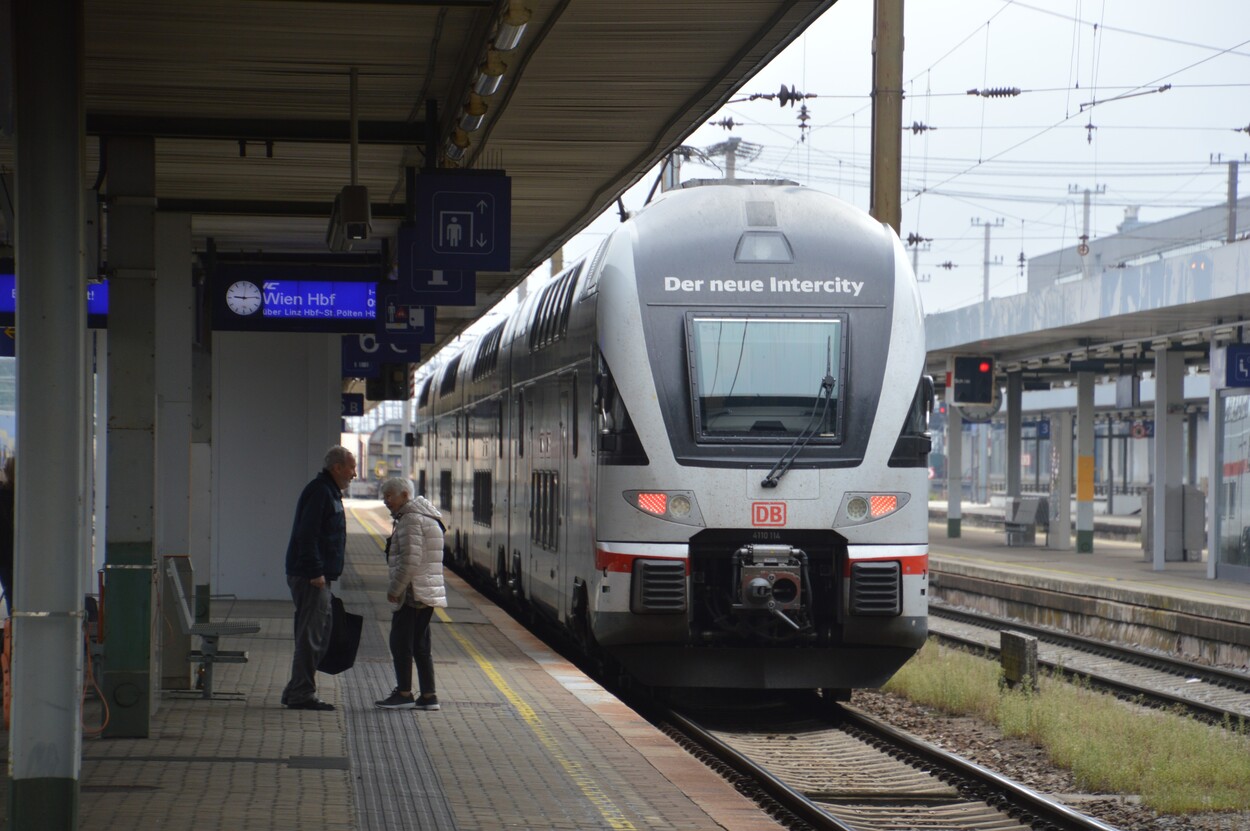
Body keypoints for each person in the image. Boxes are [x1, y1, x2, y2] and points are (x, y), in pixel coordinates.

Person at [281, 445, 356, 711]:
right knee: (312, 637)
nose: (354, 473)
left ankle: (294, 690)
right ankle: (302, 694)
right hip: (311, 577)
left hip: (316, 575)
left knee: (314, 635)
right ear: (337, 468)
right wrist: (315, 572)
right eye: (351, 467)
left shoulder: (328, 491)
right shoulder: (321, 492)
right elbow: (307, 534)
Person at [375, 477, 446, 711]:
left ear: (405, 495)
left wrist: (395, 589)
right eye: (384, 496)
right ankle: (428, 695)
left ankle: (405, 692)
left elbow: (410, 561)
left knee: (400, 642)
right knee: (420, 643)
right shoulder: (423, 516)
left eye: (390, 496)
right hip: (425, 588)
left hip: (413, 592)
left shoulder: (411, 520)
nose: (386, 501)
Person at [0, 455, 13, 616]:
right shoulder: (25, 497)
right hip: (16, 555)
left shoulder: (3, 495)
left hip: (4, 555)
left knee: (10, 593)